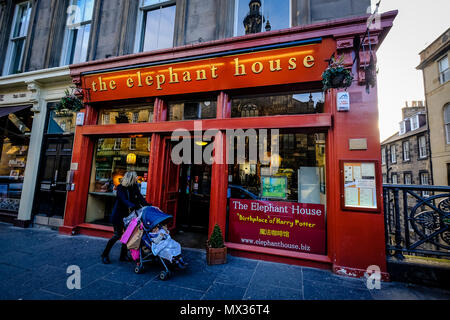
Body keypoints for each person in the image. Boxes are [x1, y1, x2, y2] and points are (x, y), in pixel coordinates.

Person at [101, 171, 150, 264]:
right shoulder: (120, 188)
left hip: (128, 215)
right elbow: (123, 200)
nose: (136, 179)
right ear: (130, 178)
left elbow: (140, 198)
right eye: (135, 177)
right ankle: (104, 254)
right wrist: (133, 206)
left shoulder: (134, 186)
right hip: (118, 215)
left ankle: (123, 255)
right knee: (117, 235)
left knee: (128, 234)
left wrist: (148, 206)